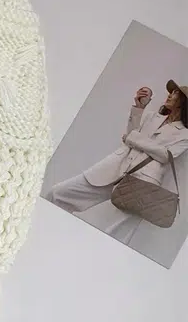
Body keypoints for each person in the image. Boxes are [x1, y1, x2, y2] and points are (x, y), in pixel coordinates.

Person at [45, 80, 188, 243]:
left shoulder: (184, 134)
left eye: (176, 94)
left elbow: (165, 155)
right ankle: (49, 233)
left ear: (184, 103)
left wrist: (133, 139)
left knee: (115, 235)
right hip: (114, 168)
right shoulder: (151, 117)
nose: (170, 95)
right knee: (58, 194)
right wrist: (139, 108)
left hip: (142, 184)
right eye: (171, 92)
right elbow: (131, 133)